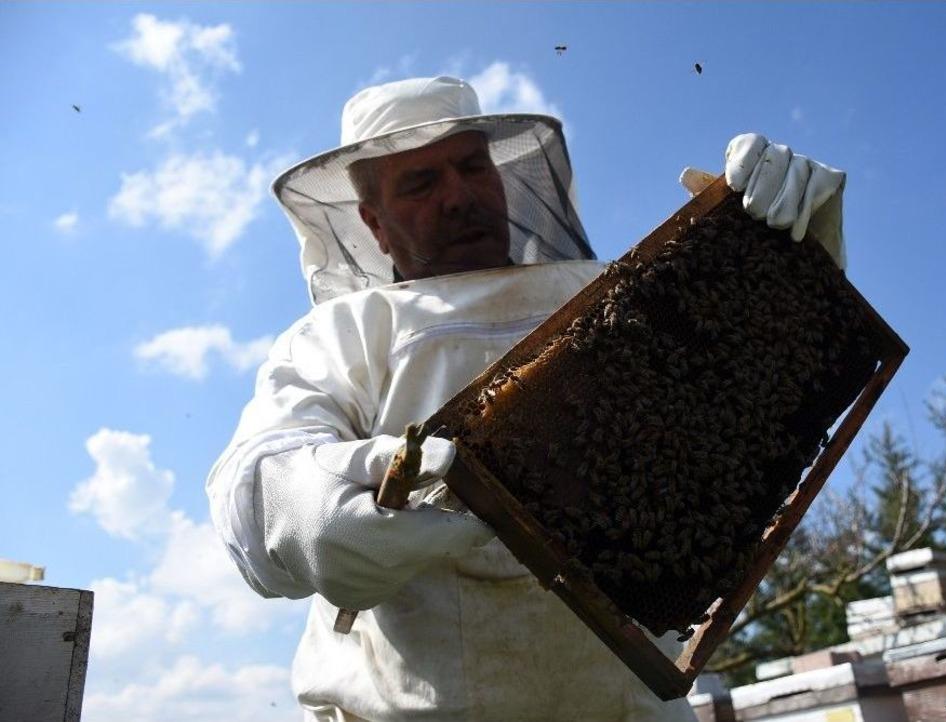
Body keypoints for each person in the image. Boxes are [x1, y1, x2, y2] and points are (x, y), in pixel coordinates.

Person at [206, 76, 847, 722]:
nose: (458, 196)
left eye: (471, 166)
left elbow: (746, 404)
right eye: (421, 183)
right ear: (373, 222)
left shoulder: (613, 293)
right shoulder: (342, 332)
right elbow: (257, 476)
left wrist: (798, 262)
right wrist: (303, 507)